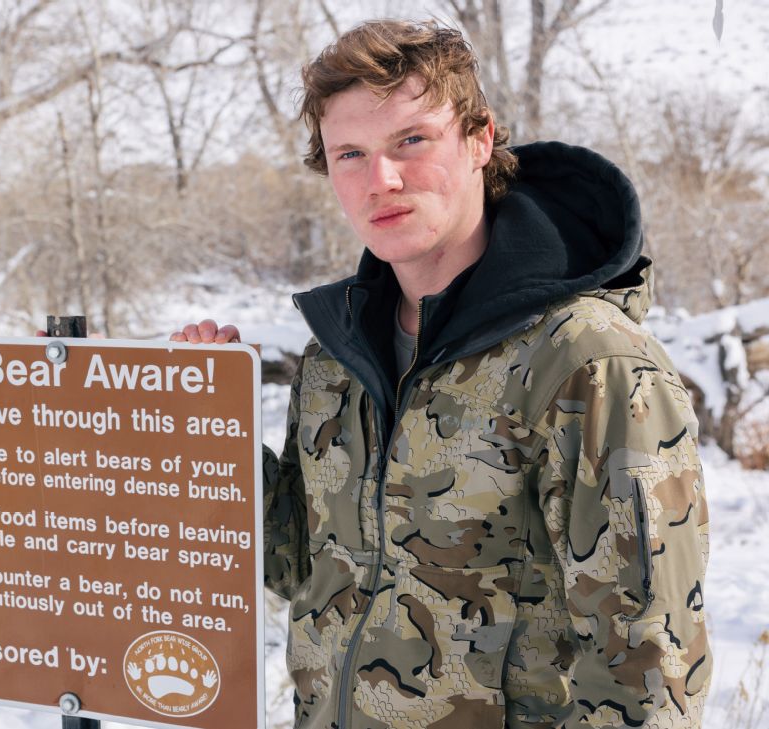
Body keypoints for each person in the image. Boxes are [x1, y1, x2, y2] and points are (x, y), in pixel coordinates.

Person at [174, 20, 710, 728]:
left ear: (481, 140)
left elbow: (649, 666)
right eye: (351, 154)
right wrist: (212, 429)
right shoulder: (336, 359)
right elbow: (307, 569)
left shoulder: (585, 361)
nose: (381, 180)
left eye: (412, 141)